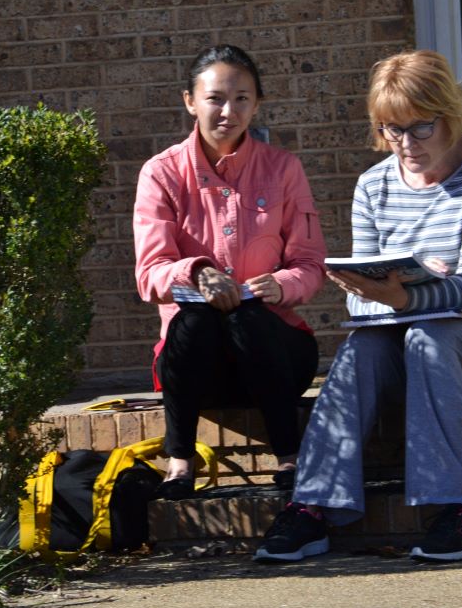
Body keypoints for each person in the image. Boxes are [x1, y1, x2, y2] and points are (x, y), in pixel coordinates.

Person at [254, 50, 462, 562]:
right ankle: (310, 506)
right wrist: (382, 293)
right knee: (362, 349)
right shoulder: (373, 185)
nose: (405, 145)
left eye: (420, 128)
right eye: (391, 130)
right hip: (420, 342)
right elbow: (368, 291)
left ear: (452, 114)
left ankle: (459, 512)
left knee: (430, 334)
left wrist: (403, 296)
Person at [133, 45, 326, 501]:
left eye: (242, 99)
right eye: (216, 98)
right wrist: (196, 272)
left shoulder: (283, 168)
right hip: (198, 363)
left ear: (256, 104)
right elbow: (149, 274)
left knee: (249, 317)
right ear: (190, 101)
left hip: (275, 352)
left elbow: (311, 265)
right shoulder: (161, 172)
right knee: (195, 320)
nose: (228, 110)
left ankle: (289, 457)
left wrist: (282, 285)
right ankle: (179, 461)